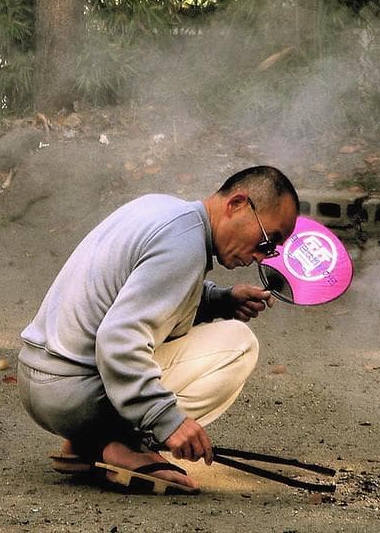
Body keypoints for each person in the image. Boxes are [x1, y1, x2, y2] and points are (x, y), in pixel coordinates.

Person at [17, 165, 299, 493]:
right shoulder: (184, 247)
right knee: (238, 344)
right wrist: (166, 420)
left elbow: (137, 292)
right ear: (236, 204)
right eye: (267, 241)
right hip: (76, 397)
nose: (262, 257)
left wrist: (219, 300)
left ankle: (89, 443)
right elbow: (118, 338)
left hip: (40, 382)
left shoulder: (163, 209)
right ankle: (123, 445)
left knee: (178, 340)